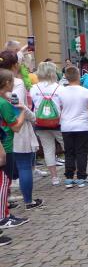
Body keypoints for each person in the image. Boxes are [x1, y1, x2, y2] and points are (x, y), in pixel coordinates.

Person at [0, 52, 42, 210]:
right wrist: (32, 116)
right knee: (24, 165)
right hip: (17, 126)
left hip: (6, 128)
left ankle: (6, 200)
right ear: (15, 64)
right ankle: (28, 201)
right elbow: (18, 105)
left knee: (6, 168)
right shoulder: (16, 82)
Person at [0, 69, 28, 230]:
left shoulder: (4, 100)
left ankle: (5, 213)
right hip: (6, 146)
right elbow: (16, 127)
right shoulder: (4, 103)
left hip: (5, 144)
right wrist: (23, 111)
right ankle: (3, 217)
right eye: (12, 81)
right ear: (6, 83)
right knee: (5, 183)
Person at [30, 62, 64, 185]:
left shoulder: (34, 88)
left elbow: (32, 105)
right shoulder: (59, 87)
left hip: (40, 123)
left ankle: (54, 177)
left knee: (48, 149)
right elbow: (63, 105)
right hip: (58, 123)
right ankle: (73, 172)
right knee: (68, 147)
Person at [60, 67, 88, 188]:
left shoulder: (61, 91)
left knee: (69, 152)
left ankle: (69, 178)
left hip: (66, 126)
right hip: (82, 125)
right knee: (82, 152)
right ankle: (81, 177)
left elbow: (59, 108)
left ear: (66, 77)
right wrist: (85, 116)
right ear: (78, 76)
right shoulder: (86, 91)